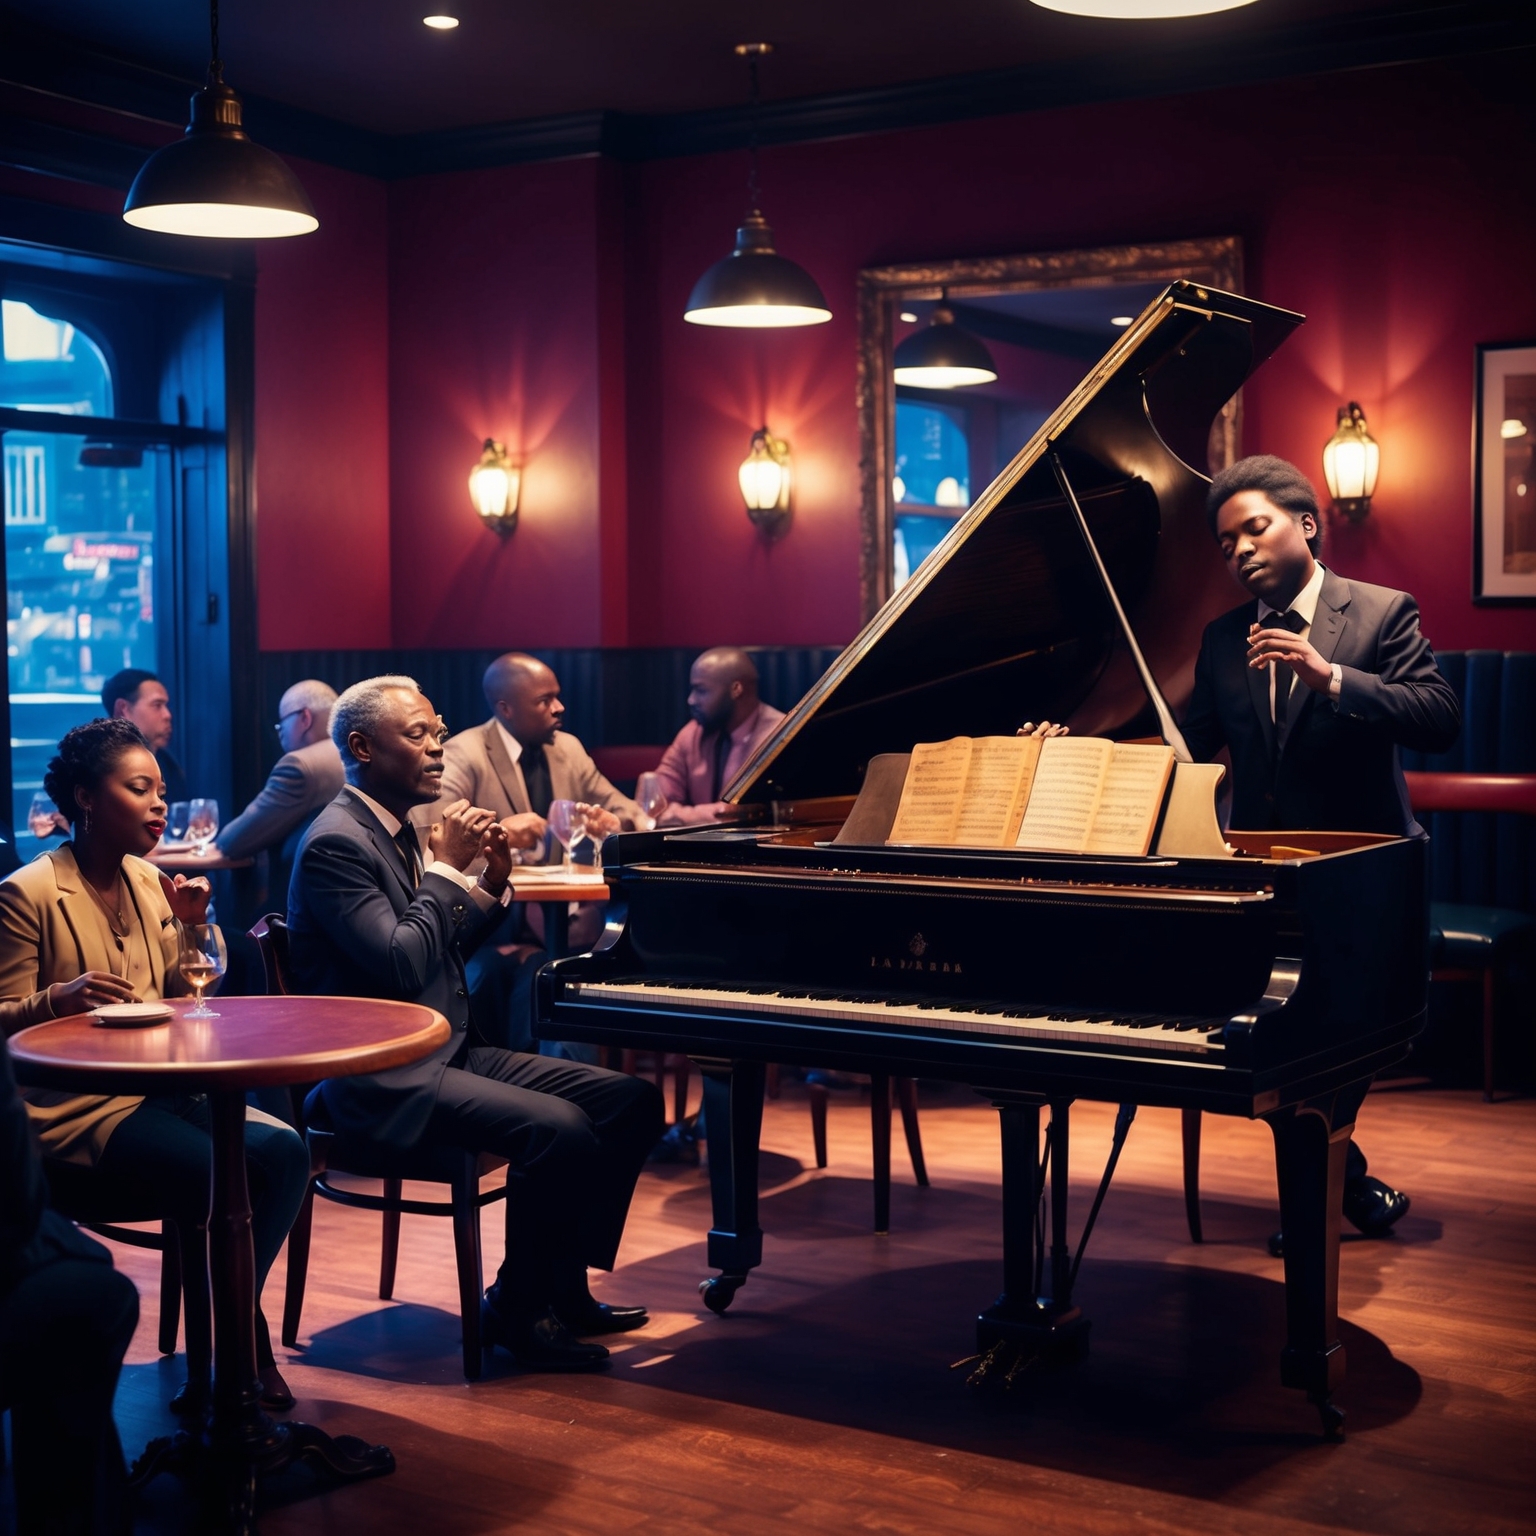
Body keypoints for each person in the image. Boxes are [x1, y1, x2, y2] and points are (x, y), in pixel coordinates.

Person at [287, 676, 663, 1371]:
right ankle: (518, 1311)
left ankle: (560, 1288)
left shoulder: (392, 826)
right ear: (363, 748)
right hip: (379, 1077)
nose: (438, 749)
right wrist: (443, 874)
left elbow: (437, 947)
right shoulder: (335, 844)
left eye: (438, 730)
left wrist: (487, 883)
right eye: (419, 735)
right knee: (561, 1130)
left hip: (446, 1053)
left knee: (629, 1101)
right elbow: (401, 966)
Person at [1181, 454, 1462, 1240]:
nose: (1239, 549)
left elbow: (1439, 717)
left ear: (1306, 524)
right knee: (1284, 1043)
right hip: (1265, 881)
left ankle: (1323, 1188)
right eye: (1226, 540)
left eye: (1255, 527)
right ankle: (1339, 1182)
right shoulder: (1220, 638)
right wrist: (1082, 750)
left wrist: (1331, 675)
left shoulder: (1378, 612)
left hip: (1364, 873)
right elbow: (1192, 750)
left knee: (1334, 1042)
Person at [0, 718, 310, 1410]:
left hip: (161, 1090)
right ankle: (238, 1352)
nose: (159, 804)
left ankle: (234, 1326)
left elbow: (184, 993)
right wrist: (56, 999)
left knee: (286, 1153)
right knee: (215, 1174)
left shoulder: (150, 881)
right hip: (75, 1108)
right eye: (138, 789)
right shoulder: (29, 893)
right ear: (85, 797)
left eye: (160, 790)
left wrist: (196, 926)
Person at [1, 1030, 139, 1536]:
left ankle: (242, 1349)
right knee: (94, 1296)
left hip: (144, 1091)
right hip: (76, 1109)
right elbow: (18, 1203)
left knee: (277, 1152)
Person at [218, 679, 346, 899]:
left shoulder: (301, 765)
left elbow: (234, 841)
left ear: (305, 718)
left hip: (307, 906)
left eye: (282, 723)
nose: (279, 732)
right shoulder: (359, 750)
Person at [652, 648, 785, 825]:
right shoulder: (692, 733)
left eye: (701, 690)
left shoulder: (779, 736)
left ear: (736, 689)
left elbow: (743, 813)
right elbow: (654, 803)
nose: (691, 700)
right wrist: (710, 814)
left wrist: (678, 815)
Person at [102, 667, 188, 806]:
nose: (168, 715)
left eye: (166, 706)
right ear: (123, 709)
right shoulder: (100, 768)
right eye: (157, 705)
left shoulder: (168, 764)